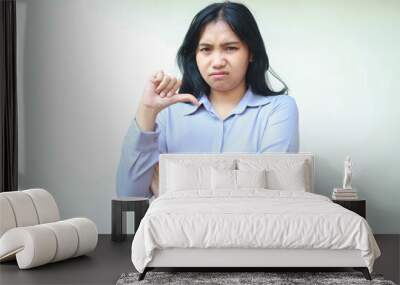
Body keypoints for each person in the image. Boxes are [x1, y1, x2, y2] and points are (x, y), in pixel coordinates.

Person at [116, 1, 299, 198]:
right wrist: (147, 110)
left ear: (251, 52)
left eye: (230, 48)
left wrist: (174, 189)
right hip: (177, 230)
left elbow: (272, 195)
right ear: (194, 55)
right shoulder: (168, 114)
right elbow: (129, 197)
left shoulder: (278, 110)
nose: (218, 62)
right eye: (205, 49)